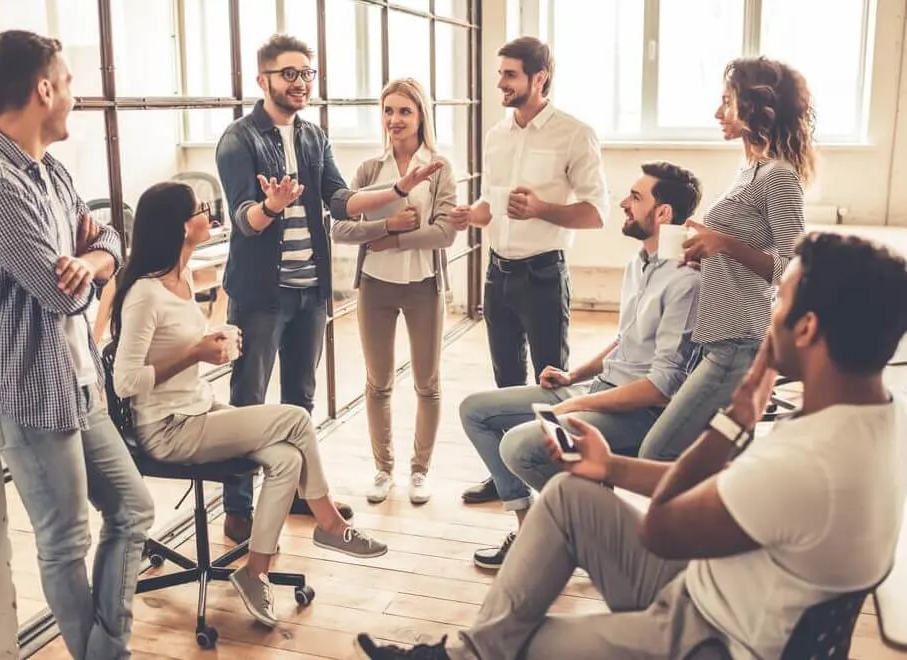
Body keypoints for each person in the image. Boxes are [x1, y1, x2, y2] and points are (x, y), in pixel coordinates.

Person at [354, 231, 907, 660]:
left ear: (807, 328)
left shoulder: (806, 462)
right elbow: (723, 495)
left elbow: (660, 527)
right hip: (712, 586)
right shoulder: (875, 418)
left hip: (707, 636)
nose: (770, 319)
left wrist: (735, 421)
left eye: (779, 303)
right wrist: (610, 466)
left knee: (518, 649)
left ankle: (471, 653)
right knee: (571, 492)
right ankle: (468, 652)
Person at [0, 31, 154, 659]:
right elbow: (56, 292)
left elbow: (113, 237)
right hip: (27, 394)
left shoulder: (52, 172)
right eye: (68, 84)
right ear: (44, 90)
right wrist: (91, 267)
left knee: (133, 509)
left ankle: (104, 651)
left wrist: (92, 258)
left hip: (77, 380)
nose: (75, 95)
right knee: (65, 543)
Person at [112, 181, 388, 628]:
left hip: (198, 410)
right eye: (202, 208)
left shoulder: (181, 278)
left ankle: (254, 572)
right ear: (183, 226)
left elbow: (182, 348)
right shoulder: (146, 293)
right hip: (169, 429)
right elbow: (125, 381)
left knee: (284, 458)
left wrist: (215, 342)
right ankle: (331, 525)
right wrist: (196, 353)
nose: (209, 212)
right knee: (296, 419)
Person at [215, 34, 442, 539]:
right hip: (260, 297)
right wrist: (271, 208)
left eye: (307, 74)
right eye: (289, 74)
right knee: (247, 401)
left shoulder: (314, 136)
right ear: (263, 80)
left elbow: (341, 200)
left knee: (301, 399)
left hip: (309, 292)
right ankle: (237, 506)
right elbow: (243, 219)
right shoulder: (240, 139)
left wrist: (399, 189)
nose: (300, 83)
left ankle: (298, 492)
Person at [460, 162, 702, 570]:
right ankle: (533, 529)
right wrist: (574, 378)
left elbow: (662, 386)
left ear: (663, 214)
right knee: (475, 410)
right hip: (597, 390)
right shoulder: (638, 265)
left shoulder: (685, 281)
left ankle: (598, 533)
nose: (624, 203)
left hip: (637, 412)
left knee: (518, 445)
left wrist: (576, 407)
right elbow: (625, 343)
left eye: (636, 197)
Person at [451, 36, 609, 505]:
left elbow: (596, 213)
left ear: (539, 78)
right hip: (497, 275)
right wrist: (471, 216)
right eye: (500, 73)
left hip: (544, 275)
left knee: (550, 383)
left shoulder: (575, 133)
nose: (500, 82)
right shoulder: (497, 135)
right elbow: (492, 203)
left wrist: (542, 208)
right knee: (505, 385)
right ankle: (508, 478)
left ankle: (564, 485)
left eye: (509, 74)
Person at [637, 55, 815, 461]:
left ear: (753, 108)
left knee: (657, 452)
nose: (718, 112)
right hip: (719, 338)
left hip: (740, 341)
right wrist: (709, 249)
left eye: (727, 101)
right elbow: (745, 248)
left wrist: (725, 245)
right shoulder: (747, 170)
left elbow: (794, 270)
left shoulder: (779, 176)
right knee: (711, 460)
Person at [331, 78, 460, 505]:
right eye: (388, 111)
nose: (395, 120)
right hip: (376, 288)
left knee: (428, 383)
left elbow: (444, 235)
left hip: (423, 286)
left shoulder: (439, 167)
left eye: (405, 111)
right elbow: (341, 227)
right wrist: (385, 226)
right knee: (378, 382)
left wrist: (396, 241)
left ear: (421, 114)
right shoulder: (371, 170)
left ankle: (419, 472)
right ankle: (383, 470)